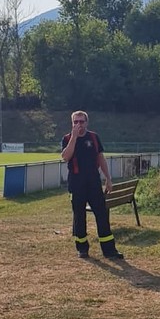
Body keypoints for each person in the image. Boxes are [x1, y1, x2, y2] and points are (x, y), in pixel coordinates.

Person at [61, 111, 123, 260]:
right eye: (75, 122)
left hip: (93, 181)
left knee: (101, 214)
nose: (79, 125)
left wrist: (108, 179)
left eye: (81, 122)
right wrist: (74, 137)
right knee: (79, 216)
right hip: (76, 182)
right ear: (72, 123)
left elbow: (100, 158)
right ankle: (82, 248)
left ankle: (109, 250)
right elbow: (65, 157)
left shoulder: (94, 137)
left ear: (87, 123)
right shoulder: (67, 139)